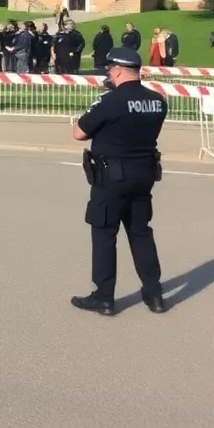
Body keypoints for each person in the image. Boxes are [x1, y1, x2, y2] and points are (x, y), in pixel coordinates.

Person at [69, 47, 169, 316]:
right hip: (144, 175)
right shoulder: (158, 100)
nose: (108, 75)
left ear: (117, 70)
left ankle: (104, 297)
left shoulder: (110, 101)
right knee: (140, 232)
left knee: (104, 233)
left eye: (109, 71)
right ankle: (153, 293)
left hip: (111, 178)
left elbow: (79, 132)